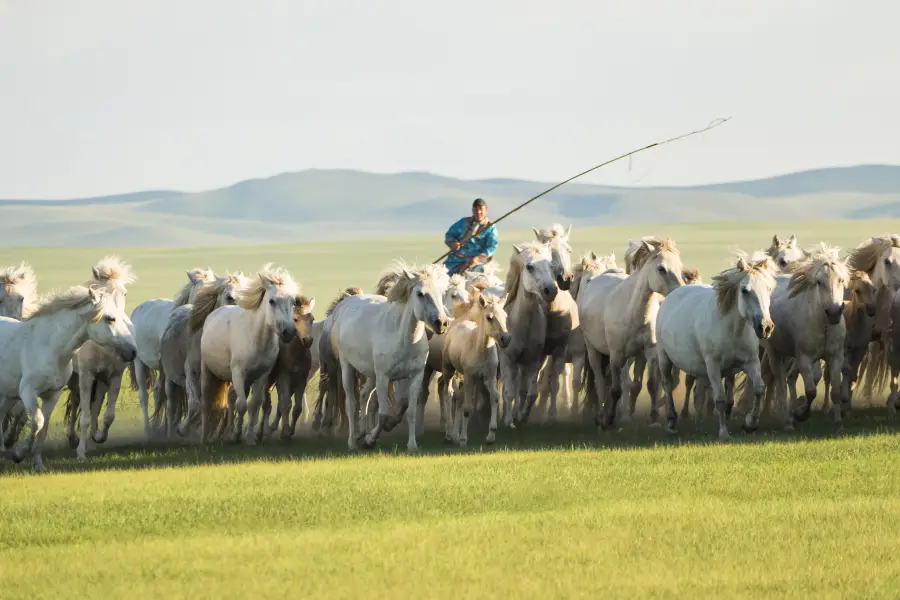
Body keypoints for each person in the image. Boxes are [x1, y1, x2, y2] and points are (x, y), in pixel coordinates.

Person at [443, 197, 499, 276]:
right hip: (456, 260)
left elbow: (492, 246)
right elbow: (450, 235)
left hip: (476, 262)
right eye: (475, 209)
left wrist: (478, 258)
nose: (478, 212)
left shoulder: (490, 227)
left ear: (486, 210)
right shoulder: (463, 222)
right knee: (442, 276)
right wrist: (453, 244)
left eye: (480, 209)